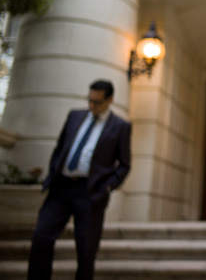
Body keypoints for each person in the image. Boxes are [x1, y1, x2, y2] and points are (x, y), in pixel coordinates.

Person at [28, 79, 132, 280]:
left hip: (90, 193)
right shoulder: (75, 116)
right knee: (41, 237)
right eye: (90, 100)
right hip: (61, 189)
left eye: (98, 102)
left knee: (86, 251)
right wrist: (52, 175)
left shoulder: (120, 127)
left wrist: (108, 187)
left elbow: (125, 164)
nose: (92, 105)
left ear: (110, 99)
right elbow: (59, 150)